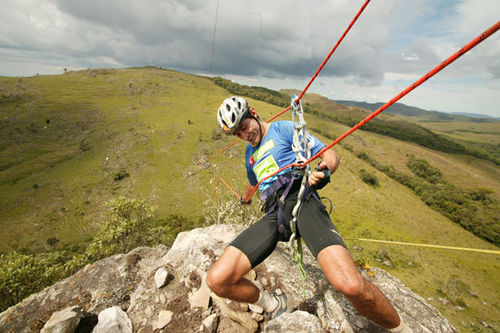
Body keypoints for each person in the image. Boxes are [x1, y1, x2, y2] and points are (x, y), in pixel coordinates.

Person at [207, 96, 410, 332]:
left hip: (302, 200)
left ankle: (402, 330)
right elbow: (254, 182)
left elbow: (330, 155)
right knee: (217, 280)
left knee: (351, 286)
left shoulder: (282, 128)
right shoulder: (249, 156)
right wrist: (246, 196)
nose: (244, 136)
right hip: (274, 214)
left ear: (253, 113)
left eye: (243, 127)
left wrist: (324, 172)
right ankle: (274, 304)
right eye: (237, 135)